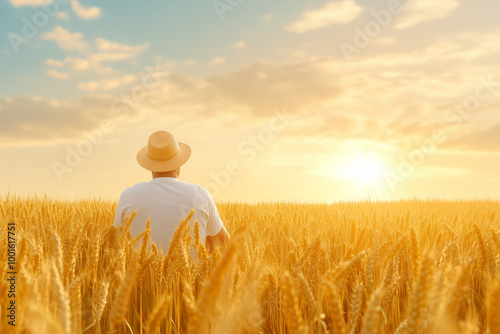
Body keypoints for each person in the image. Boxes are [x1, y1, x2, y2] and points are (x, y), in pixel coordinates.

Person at [113, 130, 230, 251]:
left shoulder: (128, 195)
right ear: (178, 163)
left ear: (150, 165)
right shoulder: (201, 194)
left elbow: (116, 244)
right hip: (193, 270)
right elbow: (225, 242)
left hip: (138, 270)